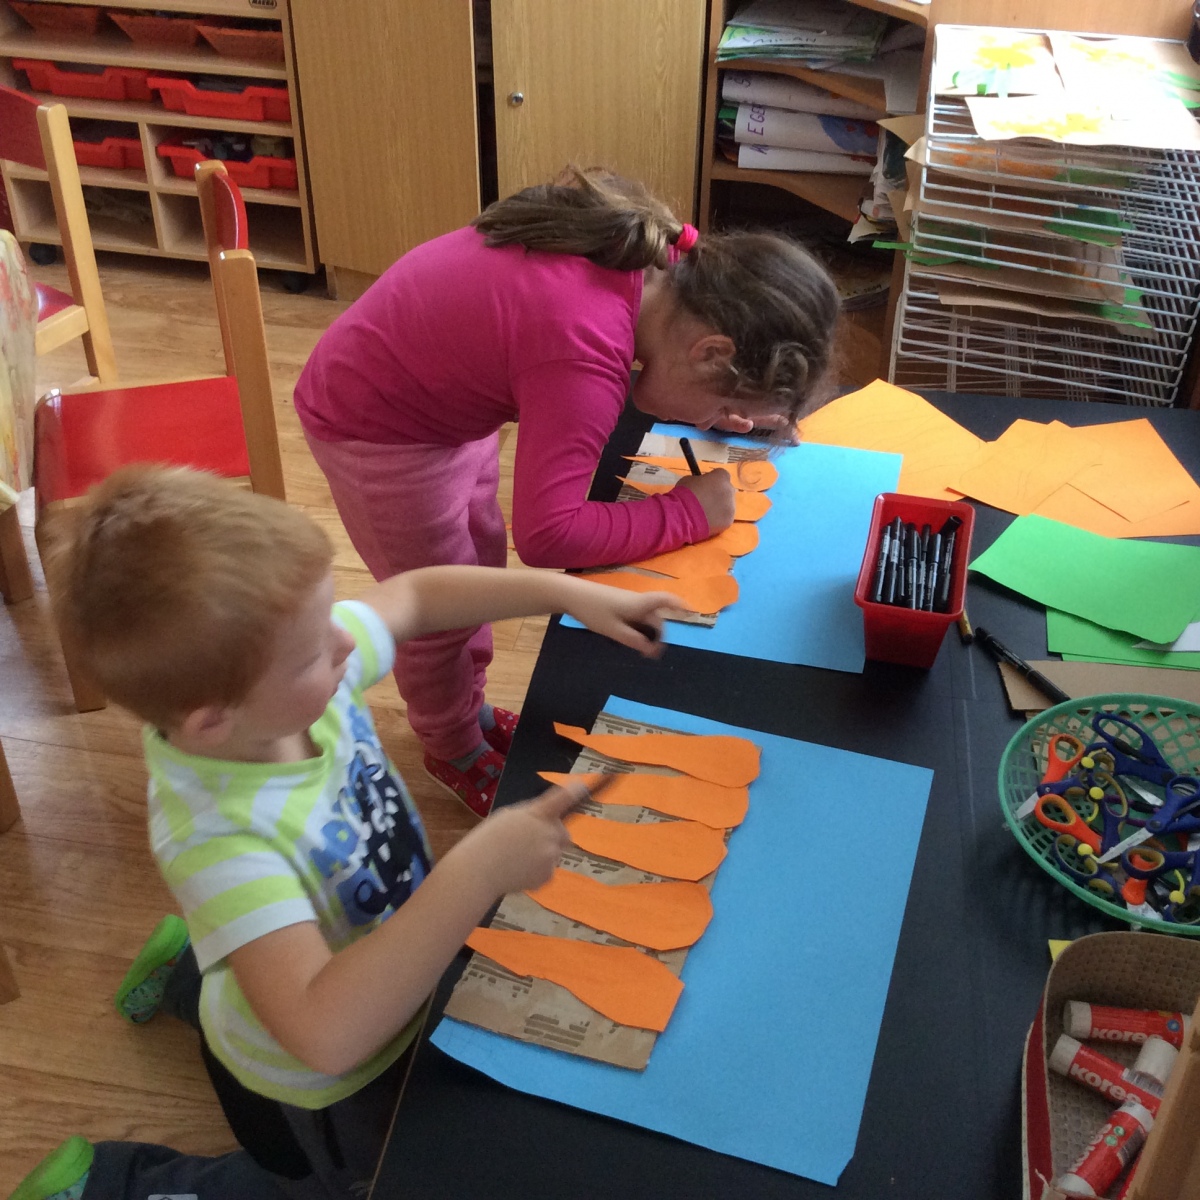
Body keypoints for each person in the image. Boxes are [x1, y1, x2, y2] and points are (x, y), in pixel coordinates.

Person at [12, 465, 679, 1200]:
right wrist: (477, 871)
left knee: (252, 951)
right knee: (329, 1186)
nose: (344, 643)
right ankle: (114, 1182)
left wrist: (565, 592)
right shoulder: (218, 841)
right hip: (325, 1083)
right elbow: (323, 1034)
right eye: (312, 651)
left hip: (356, 958)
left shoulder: (282, 689)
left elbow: (415, 596)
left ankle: (191, 967)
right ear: (211, 720)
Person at [295, 166, 840, 816]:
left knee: (476, 568)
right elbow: (549, 536)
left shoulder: (668, 266)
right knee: (440, 612)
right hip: (376, 426)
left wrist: (735, 408)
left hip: (440, 402)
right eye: (723, 406)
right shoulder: (584, 352)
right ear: (709, 351)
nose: (715, 423)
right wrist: (687, 513)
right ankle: (450, 745)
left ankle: (465, 712)